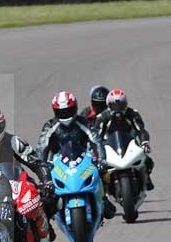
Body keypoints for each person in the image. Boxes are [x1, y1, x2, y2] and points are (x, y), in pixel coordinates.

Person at [0, 106, 54, 242]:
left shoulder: (14, 142)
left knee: (49, 196)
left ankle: (46, 226)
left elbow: (36, 163)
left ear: (2, 127)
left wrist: (46, 181)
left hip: (18, 183)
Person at [37, 91, 116, 220]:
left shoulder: (82, 122)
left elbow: (96, 140)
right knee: (46, 190)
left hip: (83, 157)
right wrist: (41, 168)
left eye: (68, 110)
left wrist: (102, 160)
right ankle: (46, 223)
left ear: (75, 108)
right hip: (57, 162)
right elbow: (42, 147)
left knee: (100, 172)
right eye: (62, 112)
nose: (65, 114)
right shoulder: (50, 125)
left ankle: (103, 199)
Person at [95, 88, 155, 190]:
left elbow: (141, 130)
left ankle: (146, 177)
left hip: (130, 144)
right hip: (110, 146)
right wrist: (96, 150)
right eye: (115, 105)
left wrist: (145, 142)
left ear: (125, 103)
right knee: (99, 168)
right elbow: (97, 135)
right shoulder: (103, 117)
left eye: (120, 105)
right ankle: (103, 191)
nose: (118, 109)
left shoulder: (132, 114)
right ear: (109, 105)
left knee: (148, 161)